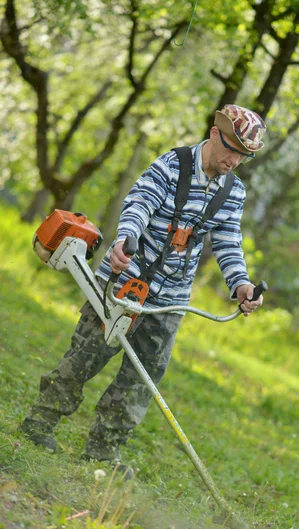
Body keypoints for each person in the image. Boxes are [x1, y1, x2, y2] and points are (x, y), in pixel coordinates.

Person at [21, 104, 267, 479]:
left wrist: (241, 284)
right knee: (86, 356)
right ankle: (39, 423)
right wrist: (126, 239)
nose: (235, 160)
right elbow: (139, 203)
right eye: (232, 149)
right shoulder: (172, 165)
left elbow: (229, 242)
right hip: (126, 282)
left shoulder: (233, 192)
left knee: (142, 378)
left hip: (171, 299)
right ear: (215, 134)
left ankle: (103, 452)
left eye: (243, 156)